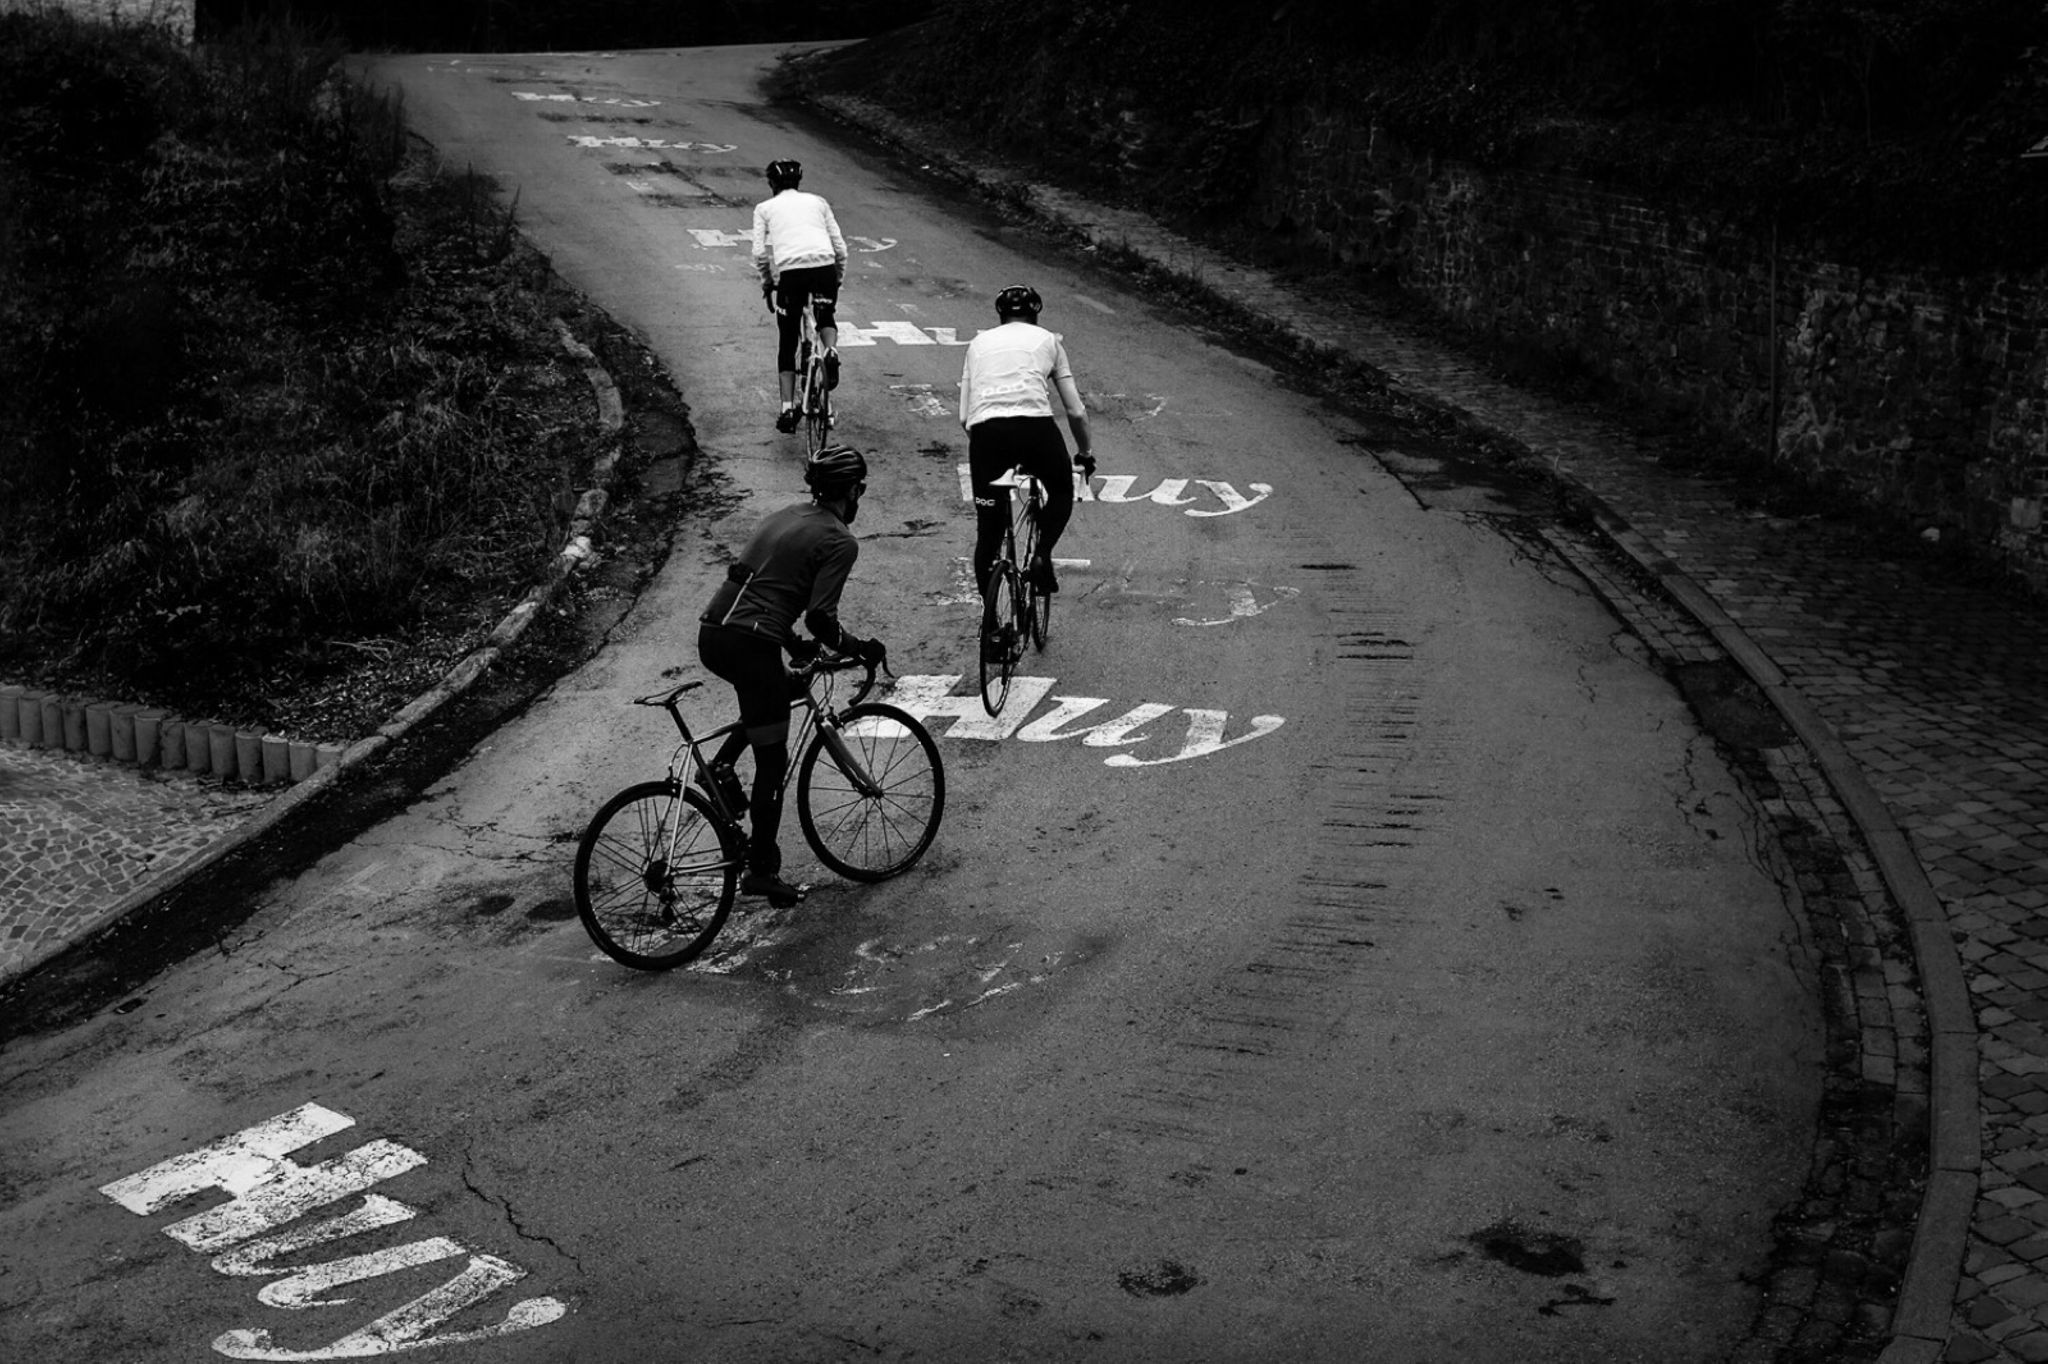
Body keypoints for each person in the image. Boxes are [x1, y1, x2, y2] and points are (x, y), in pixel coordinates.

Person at [696, 445, 887, 906]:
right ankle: (761, 869)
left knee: (773, 698)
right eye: (860, 487)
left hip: (715, 633)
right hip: (751, 643)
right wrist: (859, 649)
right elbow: (821, 618)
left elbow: (758, 585)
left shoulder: (786, 515)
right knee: (773, 763)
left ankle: (721, 765)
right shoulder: (841, 540)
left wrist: (791, 642)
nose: (861, 494)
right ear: (851, 490)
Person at [959, 284, 1097, 616]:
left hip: (987, 431)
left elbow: (964, 416)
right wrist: (1085, 453)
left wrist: (988, 447)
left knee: (988, 534)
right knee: (1062, 489)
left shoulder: (977, 344)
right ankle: (1041, 554)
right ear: (1035, 314)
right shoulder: (1049, 340)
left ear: (1000, 315)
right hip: (1035, 427)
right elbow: (1076, 411)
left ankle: (991, 625)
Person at [751, 159, 848, 434]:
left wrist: (768, 283)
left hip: (792, 274)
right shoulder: (818, 202)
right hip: (825, 267)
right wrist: (836, 279)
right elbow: (840, 248)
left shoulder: (765, 209)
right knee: (826, 316)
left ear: (771, 184)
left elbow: (760, 253)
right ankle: (830, 352)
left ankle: (787, 408)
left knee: (788, 338)